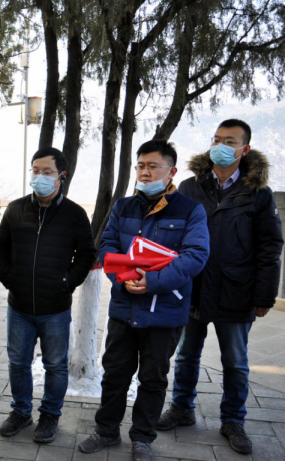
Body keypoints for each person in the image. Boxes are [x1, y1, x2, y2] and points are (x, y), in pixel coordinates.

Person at [157, 119, 284, 455]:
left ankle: (233, 420)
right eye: (216, 139)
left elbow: (270, 247)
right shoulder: (189, 187)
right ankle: (182, 408)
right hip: (192, 288)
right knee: (186, 355)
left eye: (229, 141)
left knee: (235, 361)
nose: (220, 146)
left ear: (244, 149)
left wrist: (265, 294)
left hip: (236, 290)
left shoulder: (258, 193)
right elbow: (170, 237)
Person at [78, 140, 209, 461]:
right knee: (115, 374)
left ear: (171, 171)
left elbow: (195, 255)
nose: (145, 172)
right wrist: (124, 278)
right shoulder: (123, 207)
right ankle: (106, 431)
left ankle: (142, 438)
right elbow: (108, 246)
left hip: (164, 311)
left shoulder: (190, 210)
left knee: (153, 378)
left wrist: (152, 282)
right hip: (124, 307)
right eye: (140, 166)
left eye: (153, 166)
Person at [0, 147, 96, 443]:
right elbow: (1, 246)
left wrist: (67, 282)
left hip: (55, 308)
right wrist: (8, 277)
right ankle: (21, 412)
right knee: (18, 362)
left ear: (61, 176)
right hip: (19, 306)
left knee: (55, 365)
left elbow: (87, 253)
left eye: (47, 172)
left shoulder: (74, 214)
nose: (40, 176)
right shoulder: (16, 209)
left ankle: (50, 415)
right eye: (35, 171)